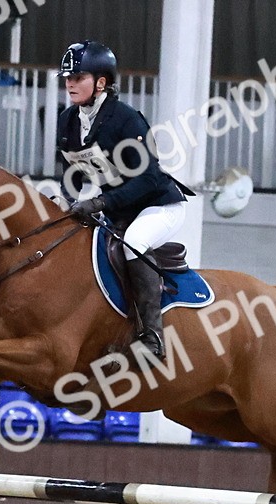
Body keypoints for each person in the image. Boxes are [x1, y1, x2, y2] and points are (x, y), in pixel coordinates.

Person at [56, 40, 192, 361]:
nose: (70, 84)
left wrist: (100, 203)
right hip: (117, 208)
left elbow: (148, 179)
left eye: (78, 77)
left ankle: (152, 337)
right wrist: (67, 204)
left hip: (157, 205)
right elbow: (72, 176)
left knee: (133, 242)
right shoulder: (68, 121)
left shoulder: (127, 119)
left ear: (101, 82)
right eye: (68, 78)